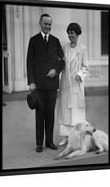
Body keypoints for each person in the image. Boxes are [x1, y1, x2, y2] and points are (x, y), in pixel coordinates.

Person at [27, 14, 65, 152]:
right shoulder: (33, 41)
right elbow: (29, 62)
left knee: (50, 114)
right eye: (45, 24)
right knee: (40, 114)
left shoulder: (55, 41)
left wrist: (56, 70)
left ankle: (49, 141)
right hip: (38, 85)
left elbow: (62, 60)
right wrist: (31, 82)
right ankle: (39, 143)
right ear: (40, 23)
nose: (48, 26)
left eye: (50, 24)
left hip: (52, 85)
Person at [56, 22, 89, 146]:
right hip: (65, 84)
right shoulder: (64, 47)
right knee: (65, 112)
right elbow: (59, 63)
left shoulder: (83, 49)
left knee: (77, 112)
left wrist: (80, 75)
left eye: (72, 33)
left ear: (77, 34)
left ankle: (77, 137)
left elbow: (86, 67)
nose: (70, 35)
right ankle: (66, 136)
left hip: (76, 85)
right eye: (69, 33)